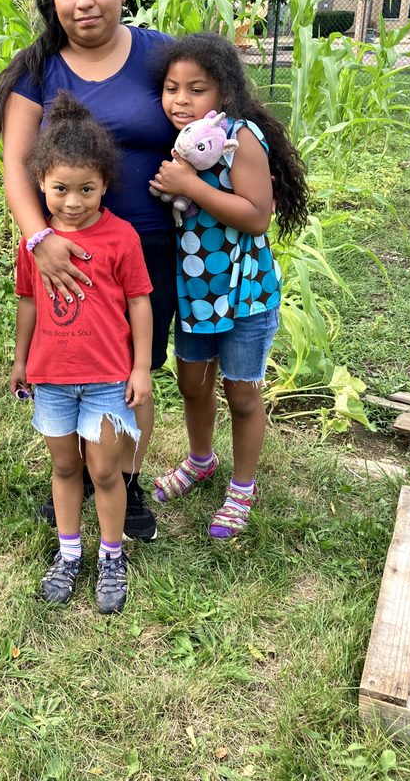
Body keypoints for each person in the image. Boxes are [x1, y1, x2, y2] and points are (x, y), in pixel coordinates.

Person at [0, 0, 176, 542]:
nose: (84, 1)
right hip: (63, 255)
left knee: (134, 366)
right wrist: (39, 241)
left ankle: (124, 478)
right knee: (72, 362)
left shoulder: (159, 55)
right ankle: (73, 474)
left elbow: (210, 123)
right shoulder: (38, 69)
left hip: (148, 246)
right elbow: (16, 166)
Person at [149, 33, 309, 537]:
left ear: (225, 92)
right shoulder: (181, 141)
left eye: (196, 89)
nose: (180, 100)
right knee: (192, 385)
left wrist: (190, 187)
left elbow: (257, 216)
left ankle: (243, 486)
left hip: (245, 295)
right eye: (171, 88)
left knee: (241, 395)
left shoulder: (242, 139)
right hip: (197, 295)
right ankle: (201, 460)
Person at [10, 91, 153, 613]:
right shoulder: (35, 245)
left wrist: (141, 368)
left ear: (105, 184)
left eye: (87, 189)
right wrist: (20, 359)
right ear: (40, 182)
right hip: (51, 378)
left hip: (108, 379)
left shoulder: (121, 238)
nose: (73, 202)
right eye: (61, 189)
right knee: (66, 468)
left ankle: (112, 556)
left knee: (106, 471)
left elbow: (139, 302)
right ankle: (69, 553)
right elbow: (28, 301)